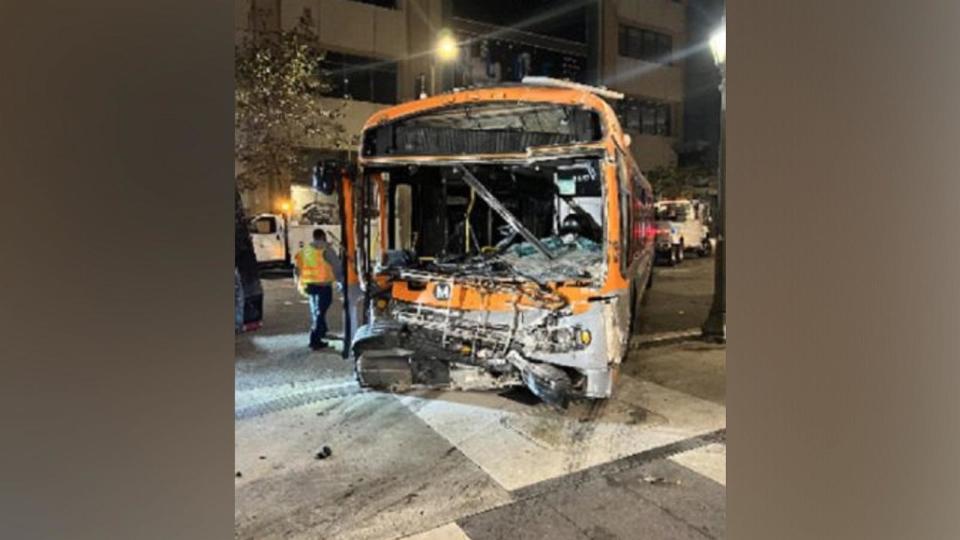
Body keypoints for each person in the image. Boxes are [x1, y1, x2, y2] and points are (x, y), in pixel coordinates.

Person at [293, 229, 343, 350]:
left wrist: (299, 284)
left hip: (309, 286)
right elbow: (337, 266)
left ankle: (322, 331)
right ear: (323, 237)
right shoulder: (326, 250)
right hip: (323, 286)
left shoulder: (305, 251)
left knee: (316, 310)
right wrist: (342, 281)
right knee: (320, 313)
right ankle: (314, 340)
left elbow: (296, 269)